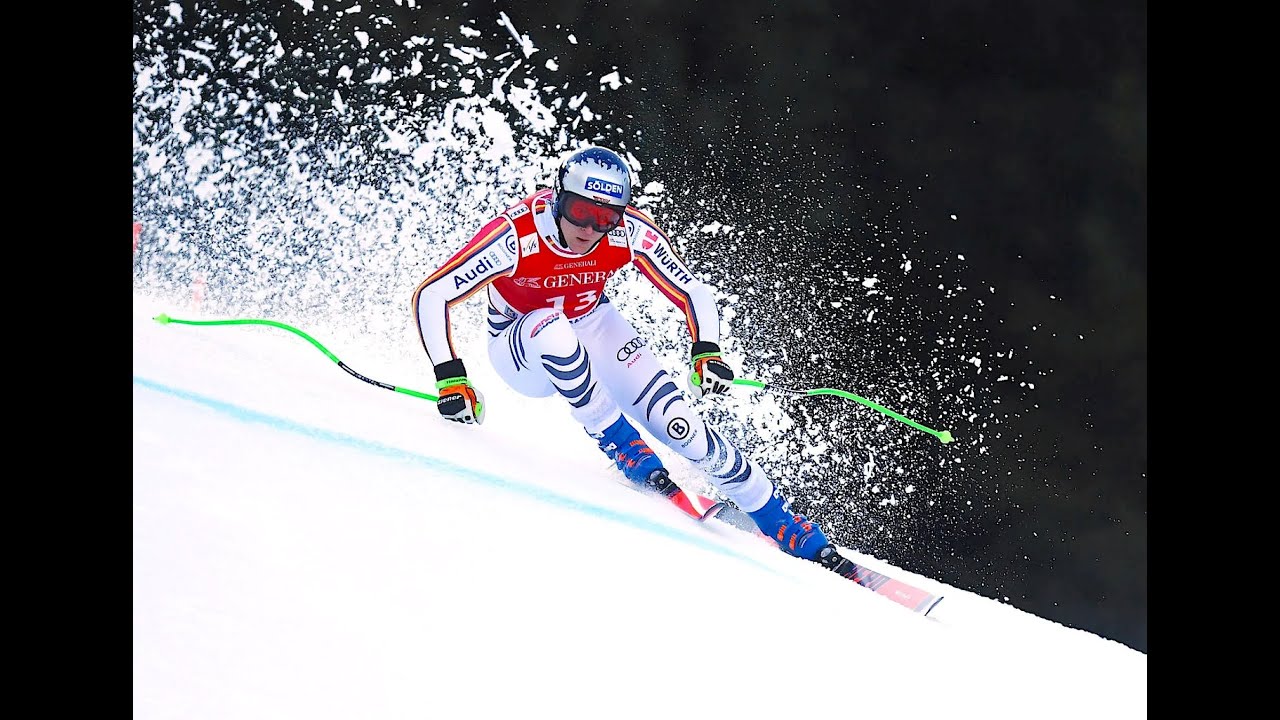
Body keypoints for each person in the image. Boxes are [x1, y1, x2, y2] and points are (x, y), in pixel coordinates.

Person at [411, 145, 843, 568]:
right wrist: (451, 377)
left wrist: (706, 351)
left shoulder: (627, 232)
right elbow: (433, 293)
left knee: (684, 427)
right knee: (552, 329)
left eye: (605, 217)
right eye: (580, 210)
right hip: (522, 345)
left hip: (592, 322)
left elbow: (691, 289)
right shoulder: (517, 236)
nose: (590, 227)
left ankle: (778, 520)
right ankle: (618, 439)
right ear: (558, 196)